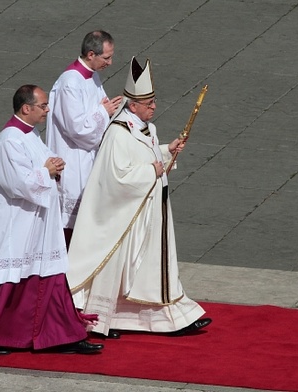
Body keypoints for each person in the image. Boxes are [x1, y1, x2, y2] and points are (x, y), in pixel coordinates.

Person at [67, 57, 212, 339]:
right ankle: (100, 321)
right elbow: (115, 177)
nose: (154, 107)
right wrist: (150, 170)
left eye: (154, 101)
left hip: (149, 210)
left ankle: (171, 318)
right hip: (124, 217)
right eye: (149, 104)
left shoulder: (146, 128)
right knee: (117, 266)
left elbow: (149, 157)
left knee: (151, 267)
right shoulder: (118, 134)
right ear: (132, 106)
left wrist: (167, 150)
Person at [0, 85, 103, 359]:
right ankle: (4, 336)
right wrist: (46, 171)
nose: (47, 110)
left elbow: (37, 171)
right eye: (43, 106)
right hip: (17, 226)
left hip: (37, 225)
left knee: (49, 279)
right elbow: (17, 183)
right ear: (26, 108)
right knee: (14, 284)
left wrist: (53, 169)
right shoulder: (9, 141)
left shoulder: (30, 135)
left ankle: (63, 336)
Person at [46, 30, 123, 248]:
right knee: (70, 229)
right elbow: (77, 129)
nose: (110, 62)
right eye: (106, 57)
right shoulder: (70, 83)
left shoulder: (92, 77)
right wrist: (103, 112)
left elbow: (100, 106)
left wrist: (111, 110)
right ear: (91, 54)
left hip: (88, 159)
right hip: (73, 161)